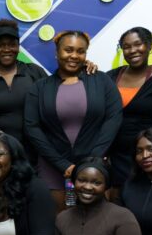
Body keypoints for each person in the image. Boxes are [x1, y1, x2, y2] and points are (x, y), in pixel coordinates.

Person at [24, 30, 122, 208]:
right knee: (58, 224)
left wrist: (92, 159)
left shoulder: (102, 81)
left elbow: (113, 118)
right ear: (57, 52)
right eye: (68, 50)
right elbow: (32, 127)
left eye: (80, 51)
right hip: (52, 168)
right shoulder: (40, 88)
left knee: (96, 226)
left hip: (95, 167)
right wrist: (62, 164)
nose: (74, 56)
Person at [105, 27, 152, 193]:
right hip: (115, 155)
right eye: (126, 47)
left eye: (138, 44)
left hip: (144, 156)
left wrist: (147, 154)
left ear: (149, 46)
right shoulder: (110, 77)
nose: (132, 50)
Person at [0, 19, 48, 150]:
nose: (6, 49)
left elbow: (56, 99)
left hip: (33, 151)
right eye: (0, 45)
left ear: (18, 47)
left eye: (11, 44)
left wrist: (81, 68)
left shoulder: (34, 72)